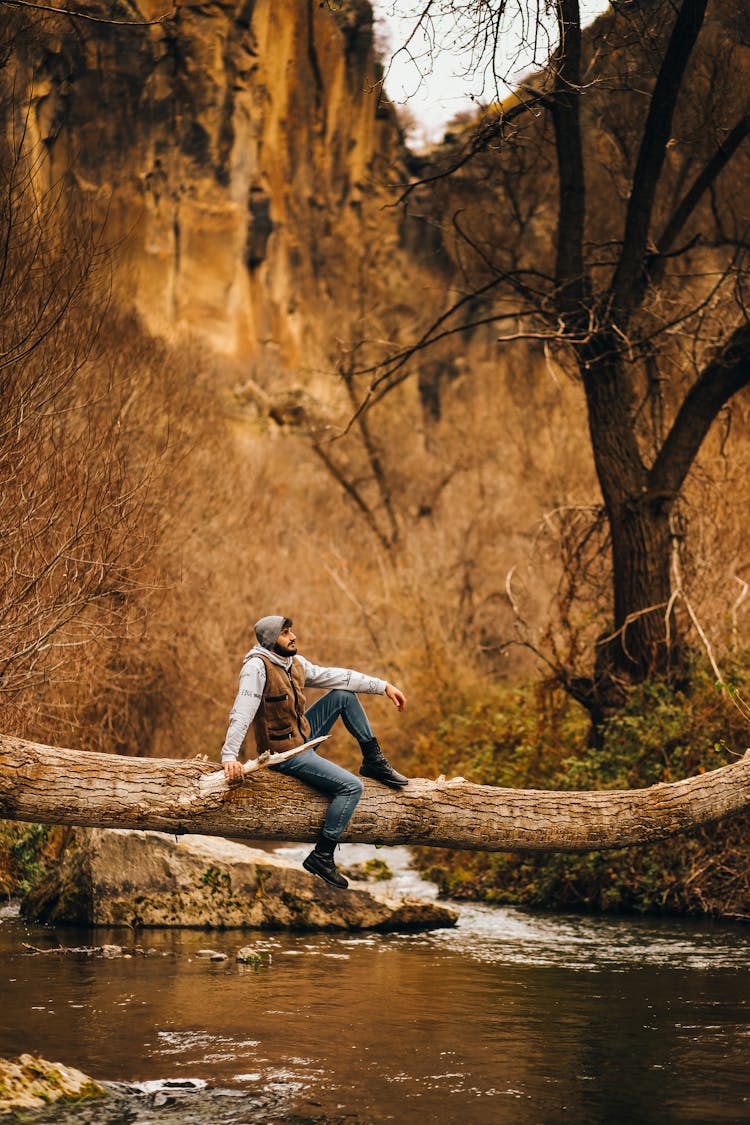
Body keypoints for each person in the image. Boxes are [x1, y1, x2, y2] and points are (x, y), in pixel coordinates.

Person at [221, 614, 409, 890]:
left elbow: (338, 676)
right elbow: (242, 711)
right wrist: (229, 756)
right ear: (272, 641)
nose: (293, 636)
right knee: (351, 787)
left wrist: (383, 686)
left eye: (291, 631)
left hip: (302, 738)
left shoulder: (293, 663)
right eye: (285, 633)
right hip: (283, 754)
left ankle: (373, 759)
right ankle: (322, 855)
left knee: (343, 695)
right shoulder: (256, 668)